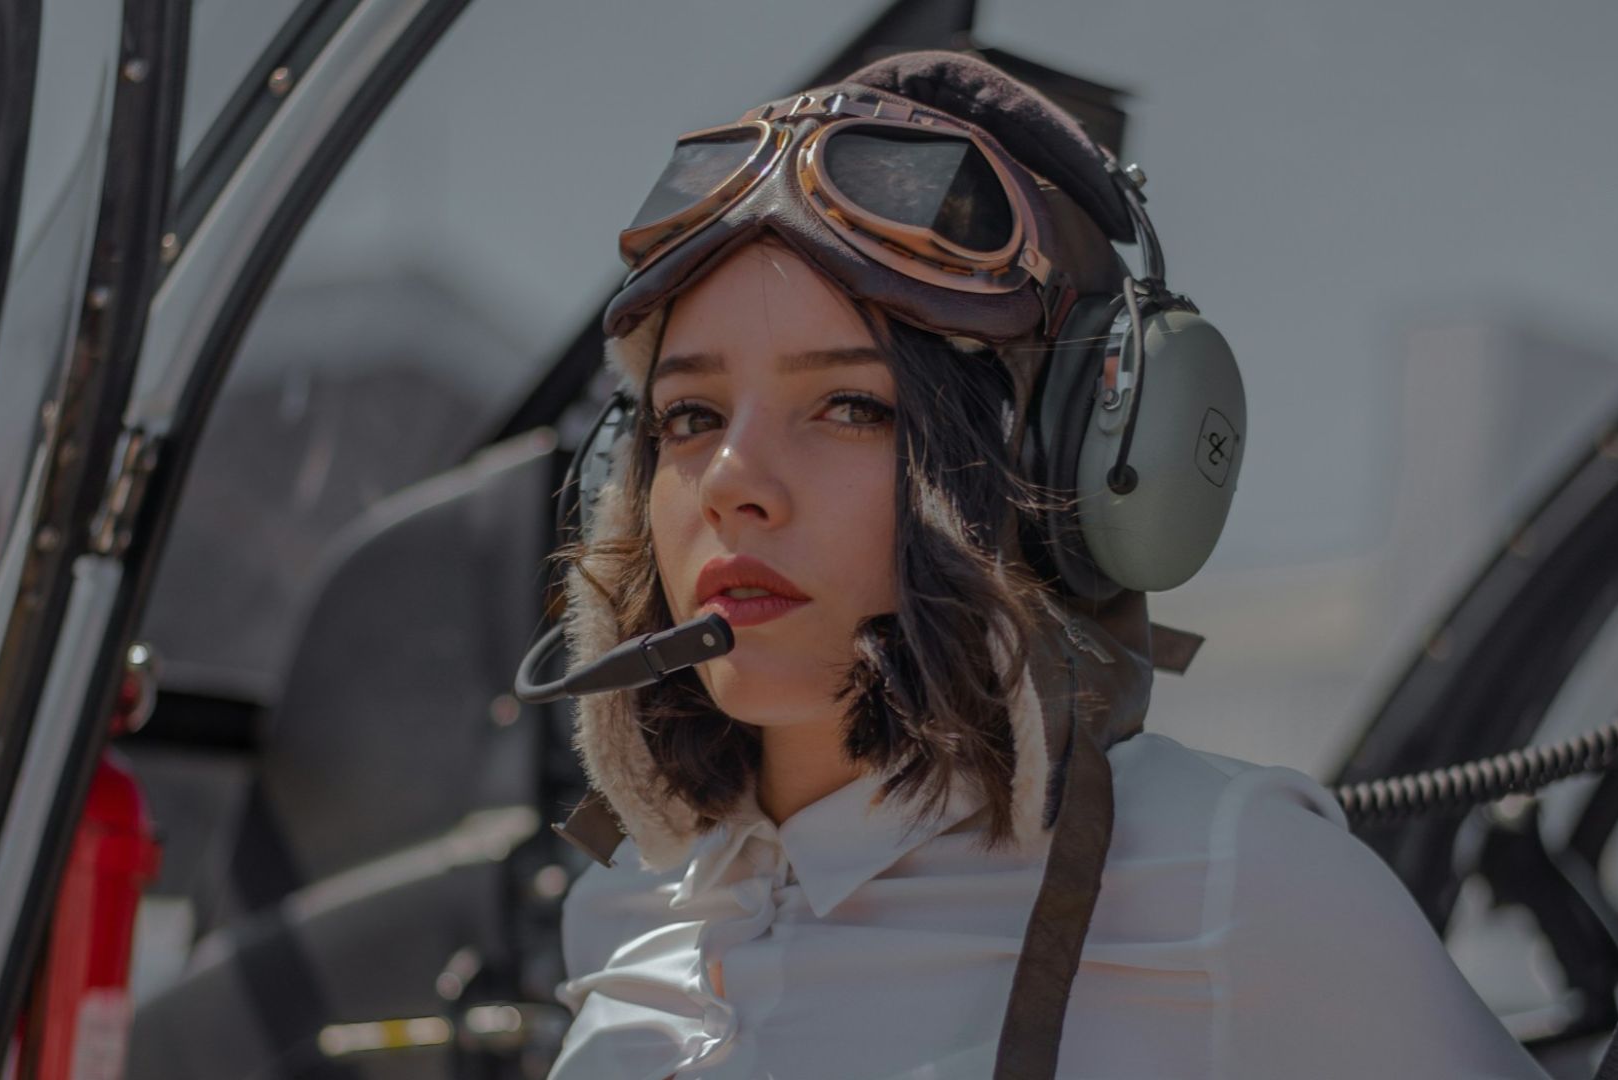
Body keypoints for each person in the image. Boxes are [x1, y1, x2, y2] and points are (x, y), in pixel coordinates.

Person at [541, 50, 1547, 1080]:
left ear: (1052, 466)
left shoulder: (1240, 883)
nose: (729, 481)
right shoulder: (623, 901)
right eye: (691, 416)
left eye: (853, 407)